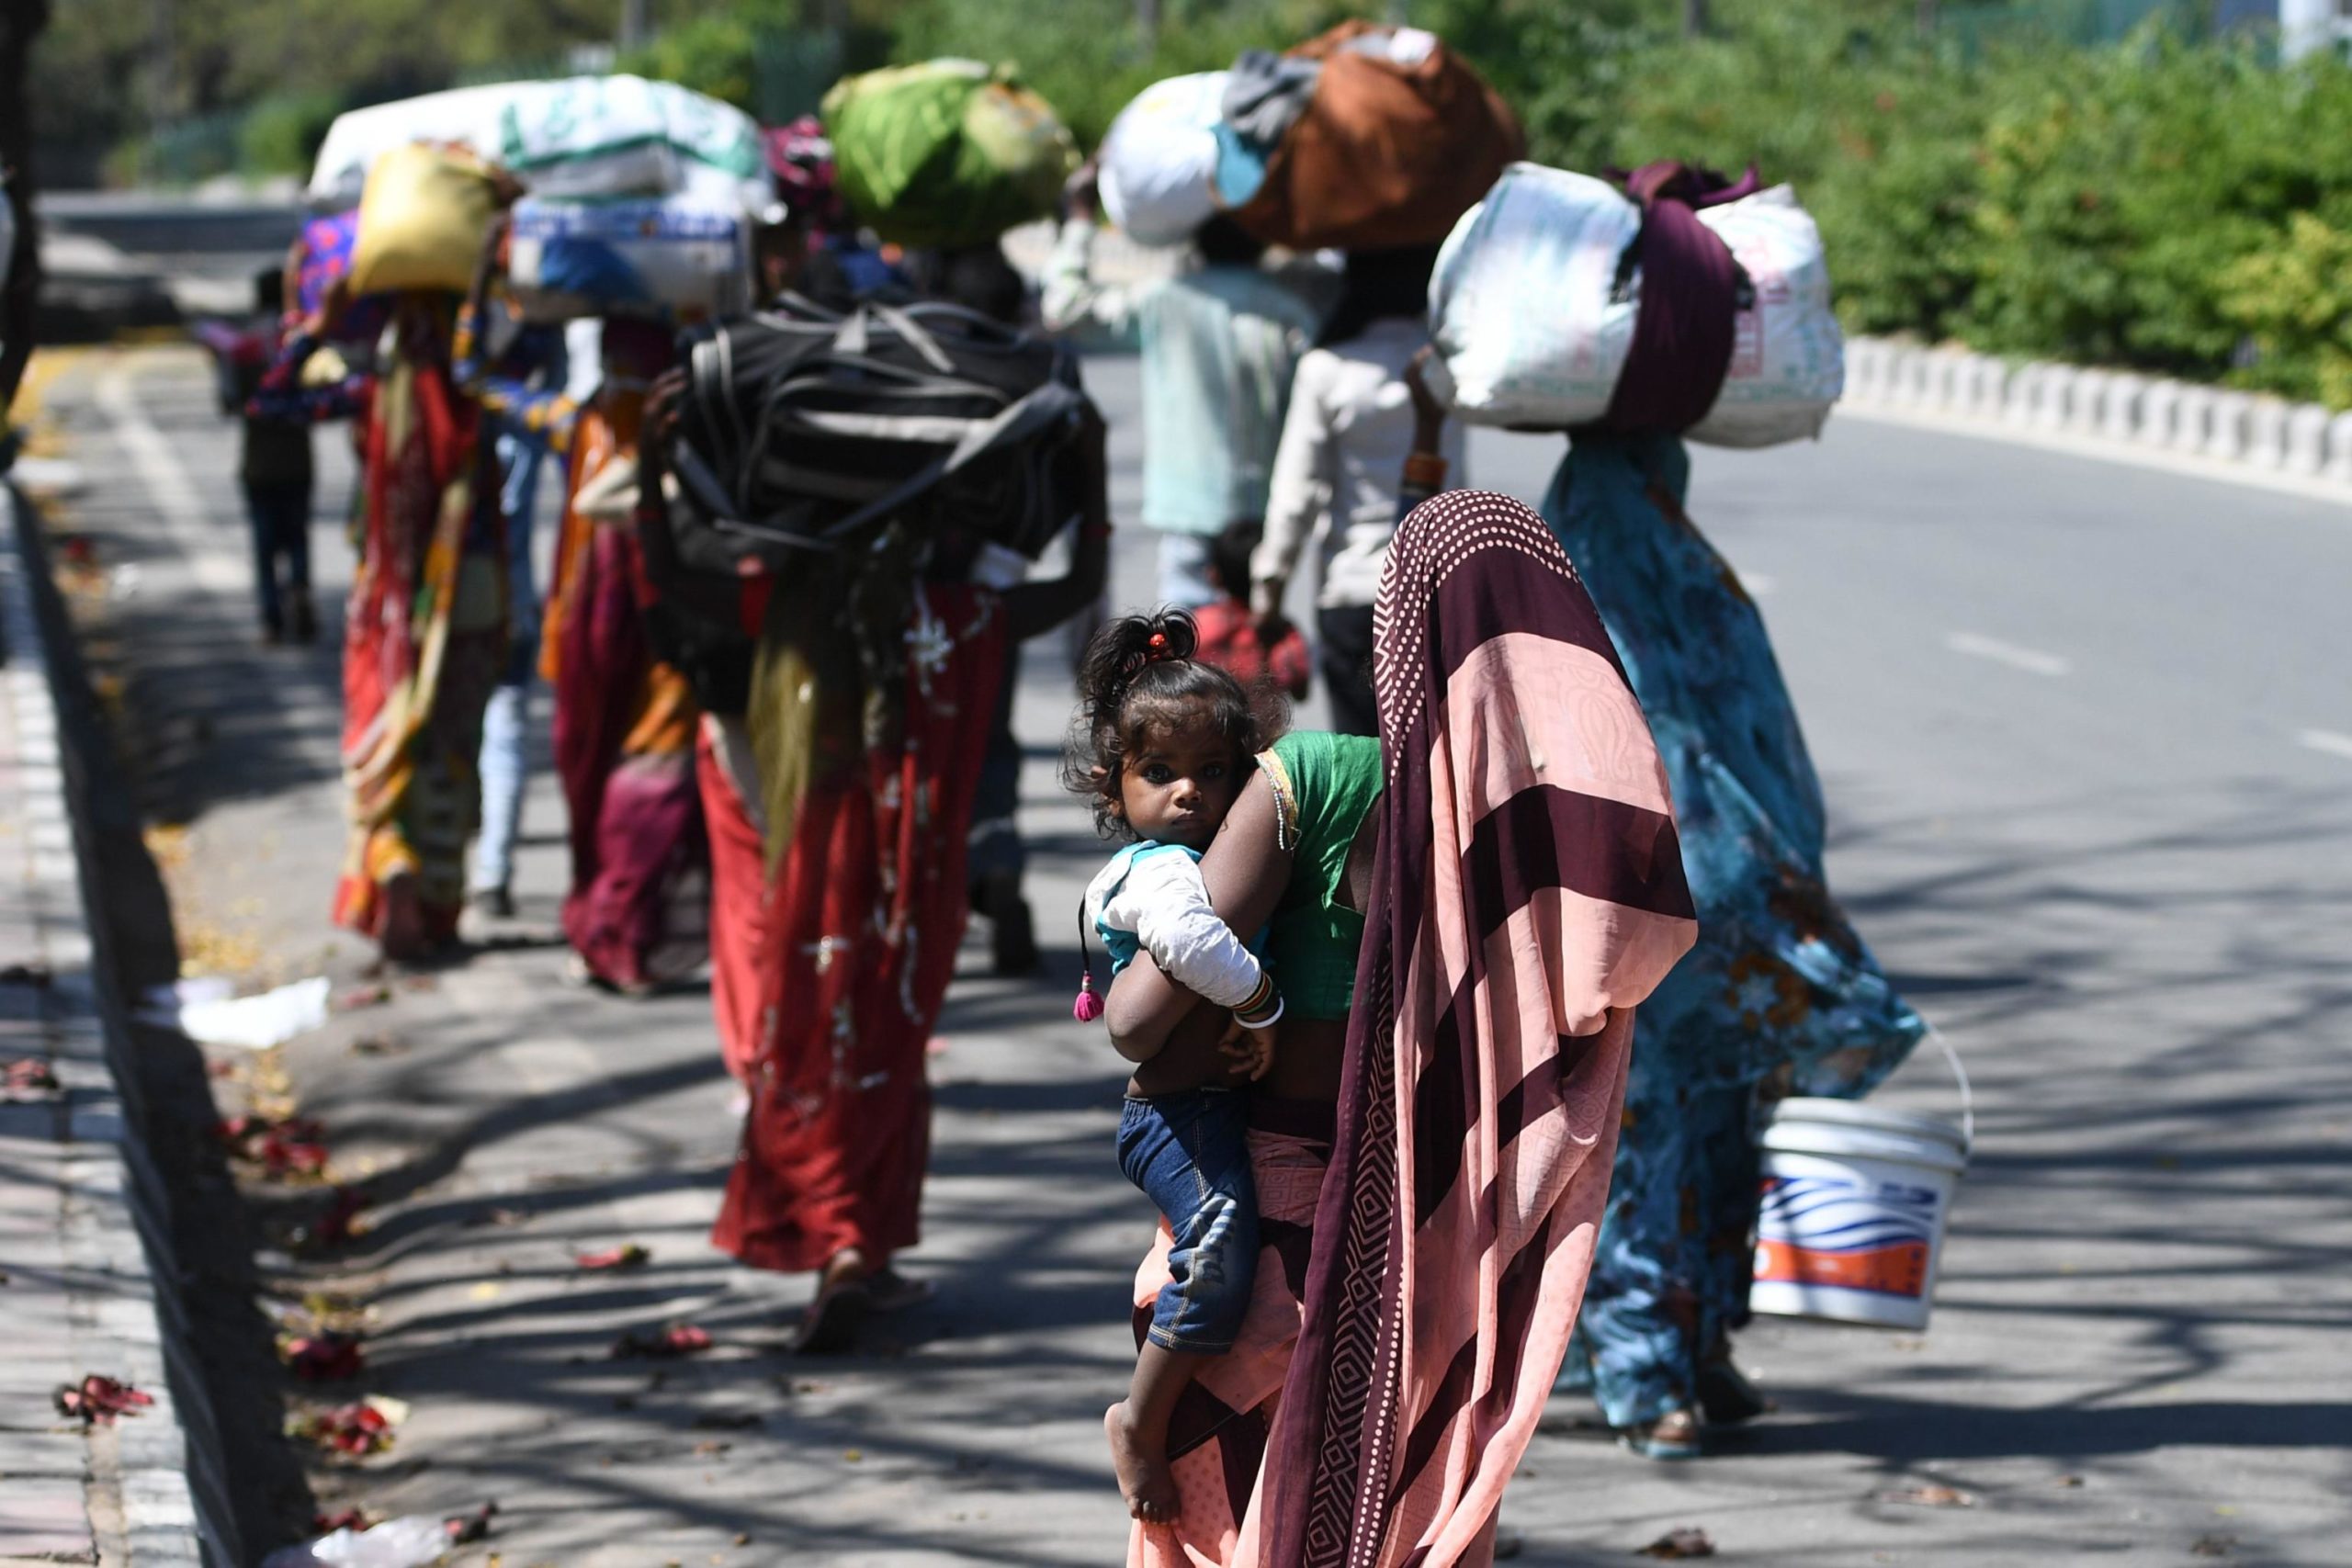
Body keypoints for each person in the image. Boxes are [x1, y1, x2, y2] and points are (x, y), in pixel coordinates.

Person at [1100, 490, 1696, 1562]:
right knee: (1391, 1515)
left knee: (1239, 1520)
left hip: (1275, 1216)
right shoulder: (1546, 853)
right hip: (1434, 1246)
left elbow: (1139, 1022)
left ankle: (1141, 1429)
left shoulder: (1319, 779)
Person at [637, 377, 1113, 1352]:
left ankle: (856, 1250)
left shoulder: (800, 607)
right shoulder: (962, 610)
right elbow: (1068, 591)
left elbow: (675, 580)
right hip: (916, 880)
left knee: (816, 1038)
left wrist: (654, 470)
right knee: (889, 1048)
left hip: (817, 873)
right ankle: (856, 1250)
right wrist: (1090, 475)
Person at [1537, 432, 1927, 1459]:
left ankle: (1701, 1338)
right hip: (1645, 894)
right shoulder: (1599, 596)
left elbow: (1753, 736)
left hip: (1728, 899)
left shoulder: (1687, 580)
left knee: (1719, 1117)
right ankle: (1640, 1368)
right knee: (1646, 1125)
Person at [1066, 609, 1287, 1522]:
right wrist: (1261, 1005)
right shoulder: (1154, 870)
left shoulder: (1203, 854)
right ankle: (1140, 1417)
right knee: (1219, 1248)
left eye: (1212, 772)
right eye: (1160, 774)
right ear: (1115, 790)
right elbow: (1192, 944)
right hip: (1174, 1113)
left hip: (1207, 1104)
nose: (1189, 792)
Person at [456, 227, 708, 995]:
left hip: (649, 637)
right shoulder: (674, 423)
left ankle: (621, 935)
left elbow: (474, 371)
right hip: (624, 640)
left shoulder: (595, 423)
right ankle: (614, 934)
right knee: (624, 777)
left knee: (635, 780)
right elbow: (472, 376)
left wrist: (481, 276)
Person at [1042, 164, 1326, 610]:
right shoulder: (1291, 313)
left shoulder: (1164, 299)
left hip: (1187, 512)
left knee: (1186, 655)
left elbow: (1065, 310)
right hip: (1266, 517)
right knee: (1258, 658)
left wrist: (1080, 222)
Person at [1250, 245, 1464, 737]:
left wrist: (1269, 593)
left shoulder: (1328, 368)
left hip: (1353, 593)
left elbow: (1295, 495)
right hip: (1435, 592)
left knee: (1364, 767)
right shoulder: (1446, 366)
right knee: (1432, 763)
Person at [221, 267, 317, 645]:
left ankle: (271, 618)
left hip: (258, 462)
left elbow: (229, 402)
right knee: (297, 536)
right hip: (298, 458)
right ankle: (300, 590)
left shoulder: (242, 347)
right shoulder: (301, 342)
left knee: (263, 545)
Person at [1191, 521, 1309, 701]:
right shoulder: (1279, 632)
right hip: (1269, 727)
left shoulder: (1200, 626)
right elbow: (1301, 691)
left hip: (1211, 725)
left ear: (1214, 576)